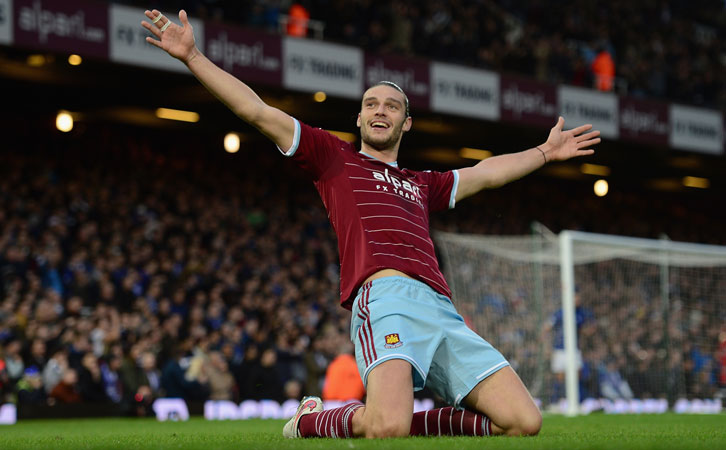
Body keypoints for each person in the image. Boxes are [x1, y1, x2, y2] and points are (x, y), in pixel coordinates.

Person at [141, 10, 601, 439]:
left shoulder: (422, 183)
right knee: (386, 427)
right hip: (386, 300)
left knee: (523, 422)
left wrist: (544, 152)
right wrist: (194, 57)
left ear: (406, 122)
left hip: (441, 309)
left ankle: (398, 417)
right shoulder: (333, 158)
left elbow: (484, 173)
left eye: (392, 106)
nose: (380, 110)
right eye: (371, 104)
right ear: (359, 118)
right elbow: (258, 111)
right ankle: (311, 422)